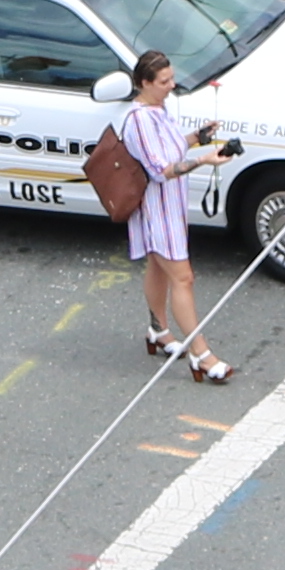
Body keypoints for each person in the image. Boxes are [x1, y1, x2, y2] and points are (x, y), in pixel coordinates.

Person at [109, 48, 226, 386]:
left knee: (159, 269)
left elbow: (171, 148)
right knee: (183, 278)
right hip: (155, 209)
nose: (171, 85)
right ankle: (201, 353)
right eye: (164, 81)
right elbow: (161, 169)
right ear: (144, 83)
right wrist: (205, 160)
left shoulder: (158, 110)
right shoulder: (141, 120)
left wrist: (197, 137)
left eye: (171, 78)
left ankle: (158, 330)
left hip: (169, 207)